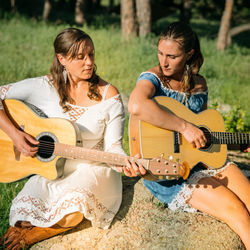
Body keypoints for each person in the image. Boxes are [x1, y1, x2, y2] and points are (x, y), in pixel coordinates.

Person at [0, 27, 145, 249]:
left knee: (73, 210)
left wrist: (125, 164)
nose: (89, 62)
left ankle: (35, 236)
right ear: (62, 59)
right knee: (23, 214)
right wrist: (15, 134)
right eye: (80, 57)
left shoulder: (109, 95)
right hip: (53, 171)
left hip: (94, 169)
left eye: (91, 54)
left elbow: (114, 146)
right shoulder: (43, 87)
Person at [128, 22, 250, 249]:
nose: (163, 62)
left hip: (199, 160)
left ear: (189, 54)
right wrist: (184, 127)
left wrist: (240, 145)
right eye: (161, 53)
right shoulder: (152, 78)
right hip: (170, 168)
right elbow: (136, 105)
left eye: (172, 56)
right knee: (238, 212)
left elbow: (202, 135)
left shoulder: (199, 83)